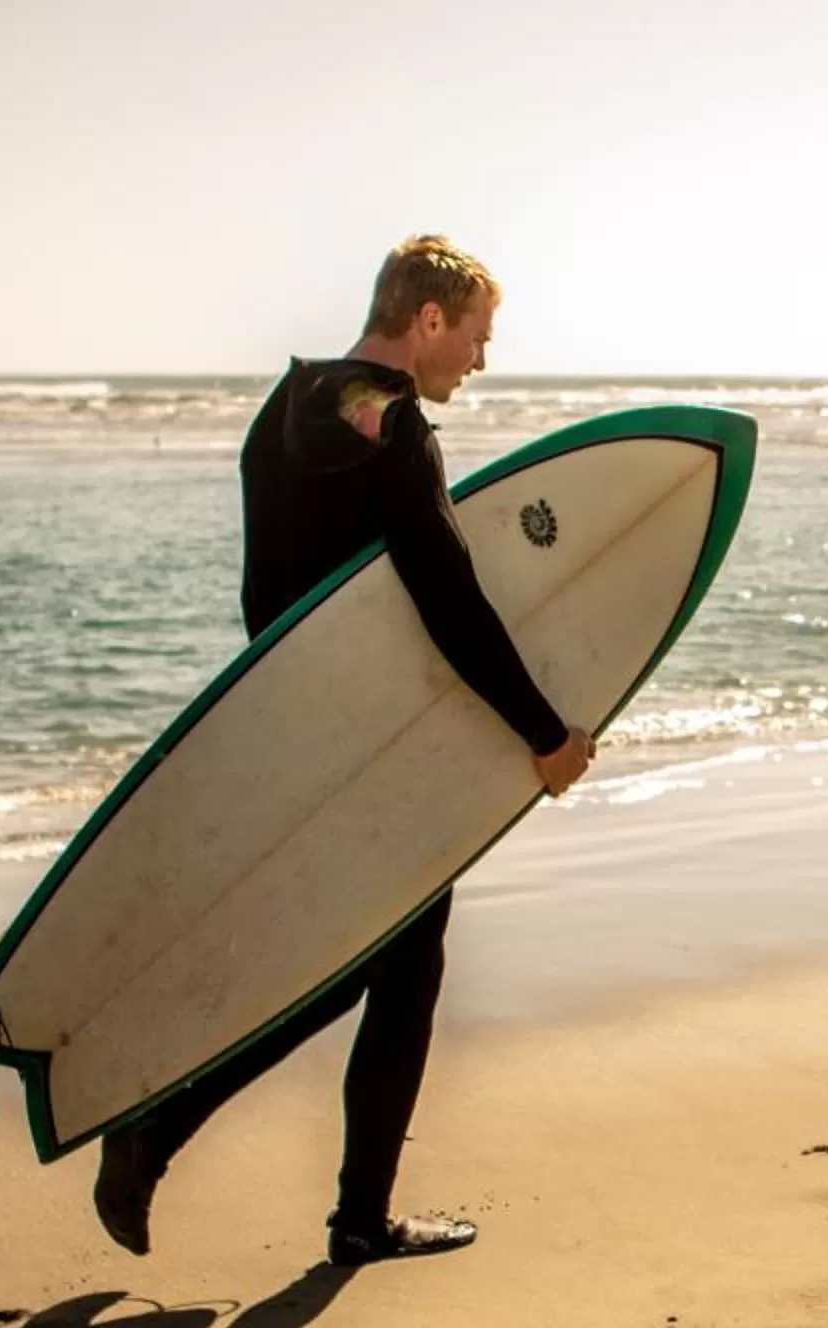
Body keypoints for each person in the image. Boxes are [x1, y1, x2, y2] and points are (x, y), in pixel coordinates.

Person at [93, 236, 595, 1268]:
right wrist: (545, 734)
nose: (480, 360)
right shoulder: (397, 431)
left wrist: (285, 719)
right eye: (477, 336)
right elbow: (449, 599)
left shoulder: (281, 415)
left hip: (291, 731)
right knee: (384, 960)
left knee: (388, 958)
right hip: (374, 749)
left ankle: (339, 1205)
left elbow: (262, 598)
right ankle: (177, 1135)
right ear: (427, 321)